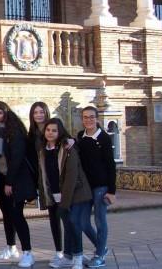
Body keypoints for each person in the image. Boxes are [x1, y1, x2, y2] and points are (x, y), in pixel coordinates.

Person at [38, 118, 92, 269]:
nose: (50, 133)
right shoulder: (43, 150)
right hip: (53, 194)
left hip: (71, 195)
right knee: (67, 227)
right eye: (48, 130)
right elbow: (44, 175)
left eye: (54, 130)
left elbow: (71, 176)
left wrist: (65, 201)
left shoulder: (67, 148)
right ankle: (68, 256)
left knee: (73, 225)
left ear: (59, 132)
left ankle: (79, 257)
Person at [0, 101, 36, 267]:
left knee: (17, 215)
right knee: (6, 214)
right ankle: (11, 246)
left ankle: (28, 252)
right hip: (1, 178)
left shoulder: (14, 131)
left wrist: (9, 182)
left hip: (16, 179)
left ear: (6, 113)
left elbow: (16, 159)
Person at [77, 106, 117, 268]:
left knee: (100, 221)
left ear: (97, 118)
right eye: (85, 117)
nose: (88, 120)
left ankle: (99, 255)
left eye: (91, 117)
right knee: (82, 222)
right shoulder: (81, 136)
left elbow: (110, 165)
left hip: (101, 186)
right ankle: (102, 247)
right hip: (86, 187)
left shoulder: (104, 138)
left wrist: (112, 191)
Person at [28, 101, 63, 262]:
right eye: (35, 112)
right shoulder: (32, 134)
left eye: (41, 112)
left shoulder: (56, 129)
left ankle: (73, 252)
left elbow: (67, 142)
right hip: (44, 180)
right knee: (53, 218)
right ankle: (59, 251)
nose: (38, 115)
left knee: (70, 220)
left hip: (61, 181)